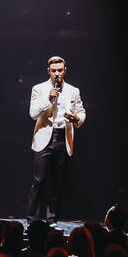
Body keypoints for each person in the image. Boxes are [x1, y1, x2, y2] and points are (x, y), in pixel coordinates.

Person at [26, 55, 85, 225]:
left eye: (60, 70)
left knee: (56, 183)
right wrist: (48, 99)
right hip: (44, 138)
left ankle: (51, 220)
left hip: (62, 138)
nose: (57, 74)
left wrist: (76, 118)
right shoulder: (39, 89)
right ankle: (32, 220)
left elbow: (81, 112)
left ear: (65, 70)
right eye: (54, 71)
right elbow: (33, 113)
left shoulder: (74, 90)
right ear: (48, 71)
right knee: (39, 181)